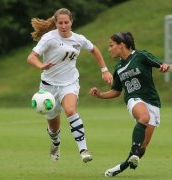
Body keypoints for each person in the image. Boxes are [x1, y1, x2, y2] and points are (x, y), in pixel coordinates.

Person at [27, 8, 113, 163]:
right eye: (60, 23)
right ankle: (55, 143)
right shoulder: (49, 38)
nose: (63, 25)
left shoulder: (78, 39)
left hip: (70, 83)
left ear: (71, 22)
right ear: (56, 23)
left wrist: (105, 70)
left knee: (71, 110)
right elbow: (31, 57)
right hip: (48, 87)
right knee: (53, 128)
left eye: (66, 22)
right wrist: (41, 66)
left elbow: (94, 50)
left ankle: (83, 149)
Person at [89, 32, 169, 176]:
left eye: (111, 45)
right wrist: (100, 95)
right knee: (143, 118)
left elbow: (159, 64)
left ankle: (122, 166)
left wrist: (163, 66)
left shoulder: (140, 56)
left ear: (121, 45)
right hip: (134, 99)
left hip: (152, 102)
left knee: (142, 148)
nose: (109, 49)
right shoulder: (118, 67)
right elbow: (116, 91)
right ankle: (134, 150)